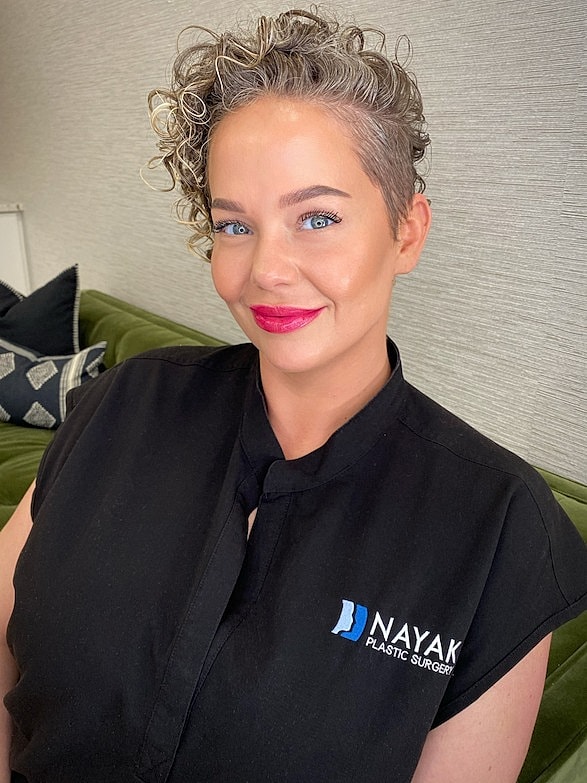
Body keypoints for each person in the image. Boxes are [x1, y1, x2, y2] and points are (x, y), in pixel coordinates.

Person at [1, 8, 586, 782]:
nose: (267, 269)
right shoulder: (123, 401)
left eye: (316, 217)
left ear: (406, 230)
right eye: (234, 226)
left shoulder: (501, 527)